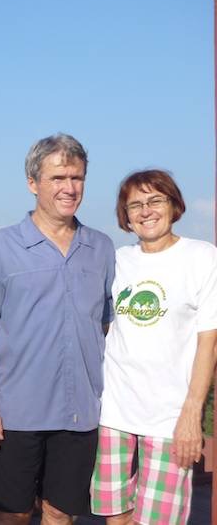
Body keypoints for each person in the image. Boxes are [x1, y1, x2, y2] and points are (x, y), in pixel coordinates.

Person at [0, 133, 115, 524]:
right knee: (10, 516)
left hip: (80, 411)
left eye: (77, 178)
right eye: (58, 178)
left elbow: (106, 324)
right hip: (16, 412)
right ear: (33, 183)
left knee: (61, 516)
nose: (69, 188)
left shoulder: (101, 248)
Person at [90, 170, 217, 525]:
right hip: (112, 412)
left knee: (158, 520)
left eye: (155, 200)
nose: (146, 211)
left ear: (174, 205)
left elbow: (209, 341)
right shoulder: (118, 260)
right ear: (125, 216)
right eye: (135, 205)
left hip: (169, 416)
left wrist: (192, 414)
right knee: (115, 515)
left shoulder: (202, 258)